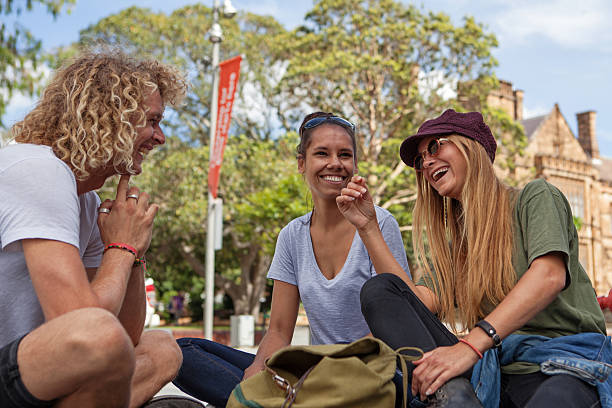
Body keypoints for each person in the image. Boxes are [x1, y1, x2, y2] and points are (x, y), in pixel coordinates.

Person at [337, 109, 611, 407]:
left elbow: (549, 276)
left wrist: (470, 346)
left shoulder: (534, 198)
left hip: (562, 364)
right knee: (381, 289)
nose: (426, 162)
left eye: (434, 146)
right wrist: (368, 227)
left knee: (554, 399)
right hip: (493, 372)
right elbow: (411, 303)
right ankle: (452, 394)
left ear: (471, 147)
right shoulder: (459, 248)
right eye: (420, 160)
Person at [173, 112, 411, 407]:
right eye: (322, 153)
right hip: (314, 370)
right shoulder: (292, 236)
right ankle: (269, 400)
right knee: (184, 351)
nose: (335, 163)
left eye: (345, 155)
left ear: (355, 165)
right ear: (302, 163)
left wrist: (329, 371)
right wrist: (255, 374)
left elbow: (400, 317)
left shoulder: (378, 224)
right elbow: (278, 331)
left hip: (371, 373)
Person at [0, 49, 193, 408]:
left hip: (36, 373)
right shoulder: (38, 169)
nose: (160, 137)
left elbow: (125, 335)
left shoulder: (86, 201)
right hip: (14, 370)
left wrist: (134, 253)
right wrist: (121, 248)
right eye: (152, 121)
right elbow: (81, 325)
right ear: (113, 118)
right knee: (96, 334)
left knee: (163, 349)